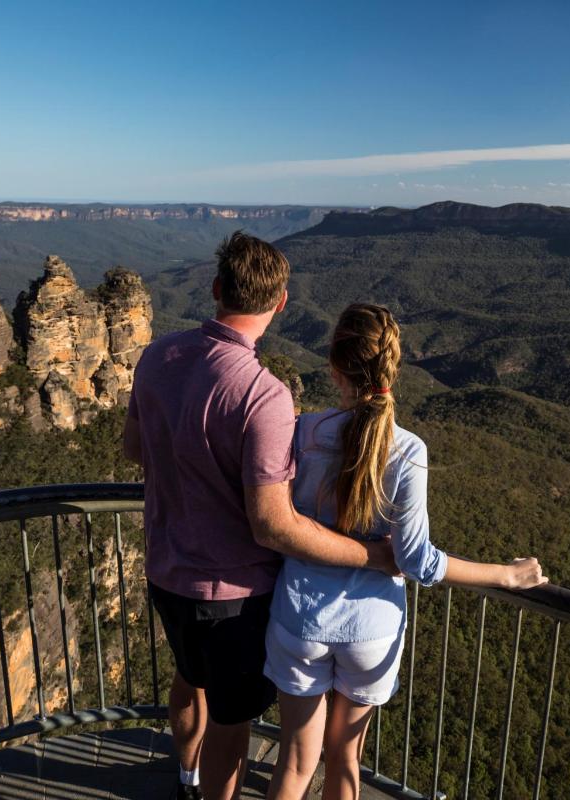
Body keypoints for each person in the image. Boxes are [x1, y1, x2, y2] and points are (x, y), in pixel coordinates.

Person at [122, 234, 397, 800]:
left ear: (217, 287)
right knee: (230, 721)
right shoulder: (263, 393)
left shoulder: (156, 356)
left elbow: (133, 448)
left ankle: (184, 777)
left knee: (188, 680)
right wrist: (374, 556)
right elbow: (273, 524)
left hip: (164, 570)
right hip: (232, 598)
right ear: (282, 303)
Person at [264, 303, 548, 800]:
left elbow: (284, 521)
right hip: (369, 631)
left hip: (299, 619)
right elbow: (417, 561)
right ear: (394, 368)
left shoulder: (304, 431)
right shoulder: (408, 450)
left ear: (333, 367)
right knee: (344, 761)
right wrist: (506, 574)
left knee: (294, 760)